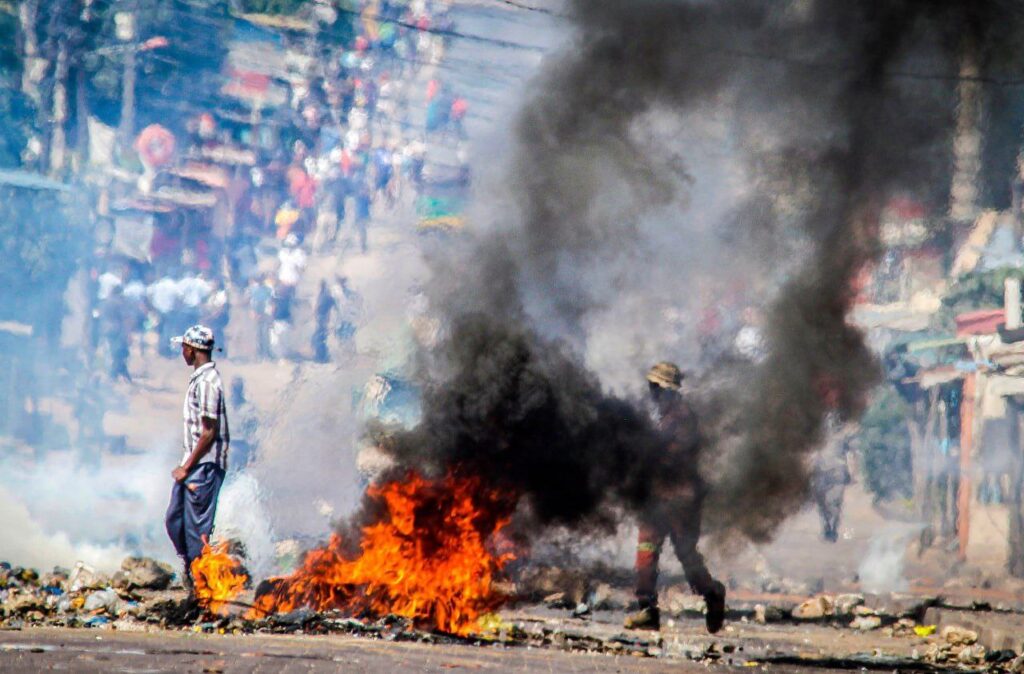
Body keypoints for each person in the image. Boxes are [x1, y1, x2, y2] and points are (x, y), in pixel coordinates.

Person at [625, 361, 726, 633]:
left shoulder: (682, 418)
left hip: (681, 499)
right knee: (646, 552)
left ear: (667, 390)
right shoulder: (666, 417)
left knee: (686, 554)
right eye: (651, 387)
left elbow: (672, 458)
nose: (652, 393)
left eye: (656, 387)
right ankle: (647, 610)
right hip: (659, 497)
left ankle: (713, 594)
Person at [164, 325, 230, 593]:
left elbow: (209, 433)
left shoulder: (207, 383)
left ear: (191, 350)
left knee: (196, 533)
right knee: (174, 519)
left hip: (203, 467)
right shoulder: (200, 380)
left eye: (184, 347)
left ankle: (203, 590)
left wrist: (186, 466)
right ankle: (192, 571)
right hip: (194, 465)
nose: (182, 352)